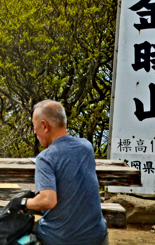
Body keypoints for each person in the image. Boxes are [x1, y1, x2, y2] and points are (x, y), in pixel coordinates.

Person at [6, 100, 108, 245]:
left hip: (61, 239)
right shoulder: (86, 147)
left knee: (18, 233)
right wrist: (37, 193)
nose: (35, 133)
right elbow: (70, 183)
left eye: (35, 128)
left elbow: (48, 200)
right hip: (97, 236)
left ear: (45, 126)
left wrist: (23, 202)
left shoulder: (46, 158)